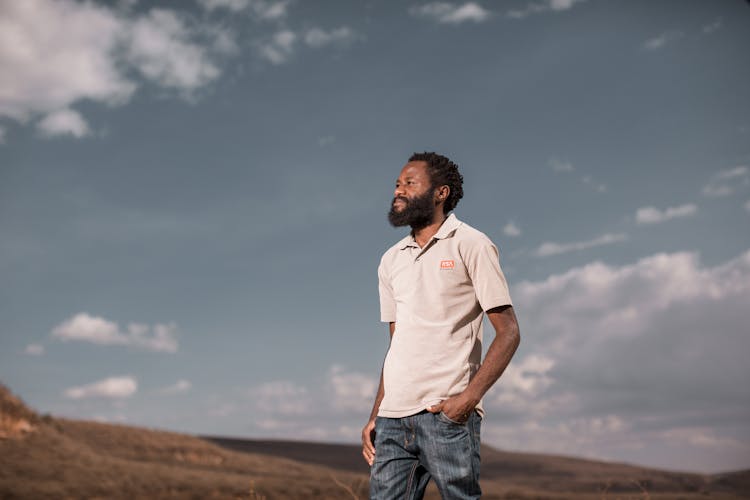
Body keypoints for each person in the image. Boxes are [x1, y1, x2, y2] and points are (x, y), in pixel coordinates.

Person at [362, 152, 521, 499]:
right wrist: (377, 413)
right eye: (397, 184)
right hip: (393, 419)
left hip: (445, 415)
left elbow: (508, 331)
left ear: (440, 193)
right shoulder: (390, 260)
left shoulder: (472, 244)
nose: (398, 191)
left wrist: (468, 399)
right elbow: (397, 344)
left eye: (409, 183)